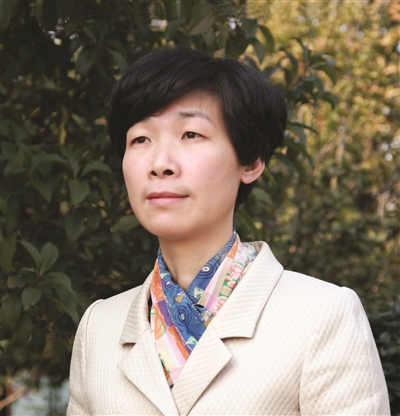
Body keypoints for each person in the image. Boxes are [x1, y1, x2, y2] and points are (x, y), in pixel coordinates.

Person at [67, 47, 390, 416]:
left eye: (190, 134)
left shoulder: (322, 315)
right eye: (141, 138)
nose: (160, 164)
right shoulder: (98, 328)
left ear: (250, 161)